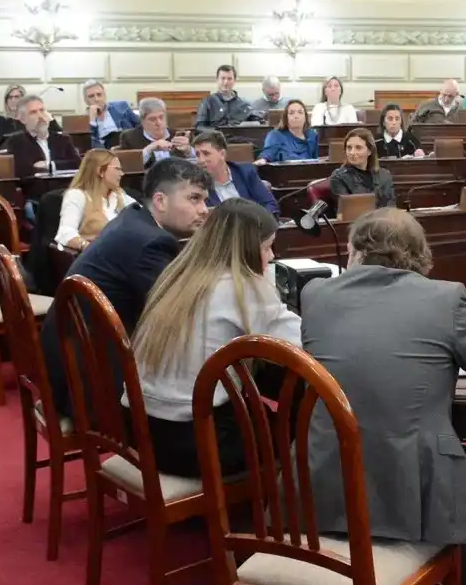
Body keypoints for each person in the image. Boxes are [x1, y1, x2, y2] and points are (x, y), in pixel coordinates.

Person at [301, 207, 466, 585]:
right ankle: (460, 578)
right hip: (411, 496)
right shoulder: (444, 299)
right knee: (460, 458)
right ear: (419, 254)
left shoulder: (315, 295)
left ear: (355, 252)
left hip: (320, 483)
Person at [131, 198, 300, 477]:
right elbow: (304, 344)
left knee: (267, 381)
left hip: (146, 432)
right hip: (201, 443)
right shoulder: (242, 287)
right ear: (246, 249)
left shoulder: (177, 275)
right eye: (267, 247)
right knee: (306, 408)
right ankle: (298, 498)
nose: (272, 256)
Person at [40, 157, 211, 419]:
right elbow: (180, 314)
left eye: (204, 200)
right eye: (194, 199)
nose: (204, 209)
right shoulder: (151, 242)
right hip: (93, 384)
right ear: (161, 200)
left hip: (71, 364)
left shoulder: (133, 218)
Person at [54, 149, 136, 250]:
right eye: (117, 169)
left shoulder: (119, 195)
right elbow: (65, 233)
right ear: (101, 171)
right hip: (98, 257)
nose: (122, 174)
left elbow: (143, 218)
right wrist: (88, 247)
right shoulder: (77, 195)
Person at [193, 130, 279, 214]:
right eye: (197, 155)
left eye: (206, 153)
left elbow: (270, 205)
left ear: (222, 154)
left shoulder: (245, 172)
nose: (201, 160)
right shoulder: (198, 184)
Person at [3, 95, 81, 177]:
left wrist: (49, 165)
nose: (40, 116)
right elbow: (24, 171)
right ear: (23, 119)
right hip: (39, 187)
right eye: (33, 112)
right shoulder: (17, 142)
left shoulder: (63, 139)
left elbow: (77, 164)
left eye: (42, 110)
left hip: (66, 186)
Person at [329, 127, 395, 209]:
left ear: (369, 151)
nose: (352, 152)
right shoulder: (339, 177)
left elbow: (391, 207)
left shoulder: (384, 175)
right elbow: (349, 210)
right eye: (349, 148)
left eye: (358, 147)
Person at [118, 97, 194, 167]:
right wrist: (150, 148)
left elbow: (197, 163)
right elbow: (127, 166)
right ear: (142, 121)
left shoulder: (178, 135)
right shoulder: (130, 138)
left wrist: (188, 150)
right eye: (152, 119)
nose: (159, 123)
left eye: (161, 117)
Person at [195, 64, 260, 132]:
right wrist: (217, 133)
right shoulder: (207, 102)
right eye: (223, 78)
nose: (226, 82)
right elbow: (199, 127)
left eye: (229, 79)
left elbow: (258, 123)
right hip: (216, 140)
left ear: (234, 81)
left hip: (239, 140)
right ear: (217, 80)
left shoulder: (243, 105)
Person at [83, 80, 138, 149]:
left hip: (128, 148)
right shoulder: (83, 121)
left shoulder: (122, 106)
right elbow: (92, 146)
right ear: (86, 100)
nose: (96, 99)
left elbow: (140, 127)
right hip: (105, 154)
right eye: (91, 96)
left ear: (105, 95)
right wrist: (92, 121)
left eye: (99, 94)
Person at [0, 84, 27, 150]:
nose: (13, 100)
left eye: (17, 97)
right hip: (6, 156)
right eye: (10, 97)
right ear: (6, 101)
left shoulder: (29, 120)